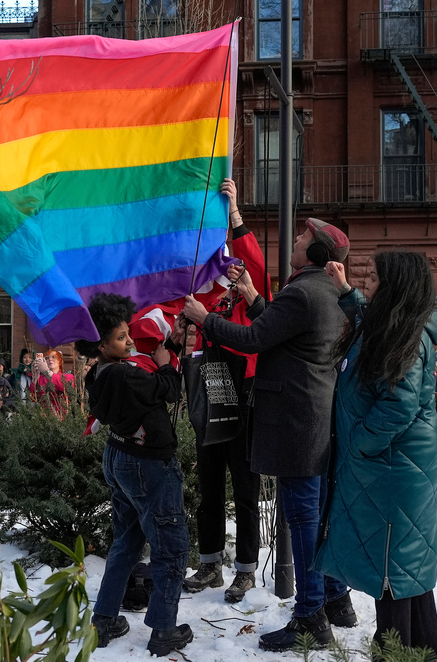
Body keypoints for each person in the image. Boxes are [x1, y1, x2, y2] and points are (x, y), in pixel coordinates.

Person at [183, 216, 354, 652]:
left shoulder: (301, 291)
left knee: (303, 518)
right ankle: (336, 600)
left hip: (297, 421)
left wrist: (205, 319)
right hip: (315, 416)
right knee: (318, 511)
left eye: (301, 238)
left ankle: (311, 615)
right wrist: (253, 296)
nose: (294, 240)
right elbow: (284, 332)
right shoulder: (326, 289)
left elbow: (258, 338)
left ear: (314, 252)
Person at [313, 249, 437, 656]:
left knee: (392, 568)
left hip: (393, 468)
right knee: (405, 567)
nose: (367, 282)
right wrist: (348, 292)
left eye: (374, 277)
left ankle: (396, 650)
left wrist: (361, 446)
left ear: (395, 285)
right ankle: (423, 649)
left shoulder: (408, 335)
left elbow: (398, 406)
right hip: (395, 466)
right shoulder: (398, 323)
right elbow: (374, 319)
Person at [73, 293, 192, 657]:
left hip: (120, 457)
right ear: (101, 343)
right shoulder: (125, 375)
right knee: (171, 546)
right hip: (148, 466)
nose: (129, 341)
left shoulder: (100, 373)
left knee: (126, 541)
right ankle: (163, 630)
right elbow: (166, 390)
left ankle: (104, 618)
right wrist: (167, 362)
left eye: (128, 333)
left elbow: (148, 388)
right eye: (122, 337)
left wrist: (169, 346)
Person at [180, 178, 265, 604]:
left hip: (244, 390)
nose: (232, 268)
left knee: (245, 486)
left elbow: (254, 261)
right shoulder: (208, 297)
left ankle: (246, 569)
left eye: (239, 265)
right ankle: (210, 562)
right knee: (211, 481)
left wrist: (234, 213)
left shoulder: (255, 297)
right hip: (211, 387)